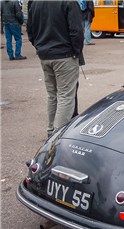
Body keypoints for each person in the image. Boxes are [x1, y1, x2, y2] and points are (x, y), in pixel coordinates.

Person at [27, 0, 84, 137]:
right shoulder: (69, 2)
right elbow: (77, 30)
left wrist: (40, 47)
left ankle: (51, 130)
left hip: (45, 55)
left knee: (53, 95)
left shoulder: (34, 2)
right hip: (64, 55)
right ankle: (57, 136)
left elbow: (30, 30)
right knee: (65, 96)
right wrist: (76, 52)